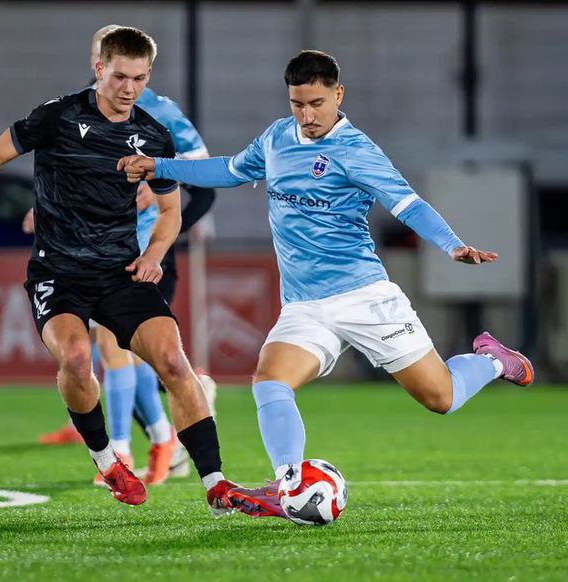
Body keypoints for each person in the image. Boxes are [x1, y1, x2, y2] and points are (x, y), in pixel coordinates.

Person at [118, 50, 535, 518]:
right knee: (270, 381)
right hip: (304, 306)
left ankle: (494, 362)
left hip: (364, 297)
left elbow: (409, 205)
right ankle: (288, 483)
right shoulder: (278, 138)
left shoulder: (357, 150)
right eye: (298, 103)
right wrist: (160, 166)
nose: (307, 114)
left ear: (338, 94)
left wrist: (452, 244)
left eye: (316, 102)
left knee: (441, 398)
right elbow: (230, 170)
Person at [0, 26, 237, 515]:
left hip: (120, 271)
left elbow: (170, 215)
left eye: (140, 79)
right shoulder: (57, 116)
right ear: (99, 68)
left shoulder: (153, 135)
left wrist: (152, 256)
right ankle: (108, 459)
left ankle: (217, 484)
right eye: (120, 76)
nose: (129, 89)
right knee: (79, 361)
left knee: (173, 363)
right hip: (57, 273)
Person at [33, 25, 218, 487]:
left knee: (122, 357)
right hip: (91, 257)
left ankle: (133, 448)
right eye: (106, 64)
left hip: (140, 257)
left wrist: (161, 235)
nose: (122, 83)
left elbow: (200, 182)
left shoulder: (160, 116)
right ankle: (151, 440)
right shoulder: (80, 113)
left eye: (132, 74)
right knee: (113, 358)